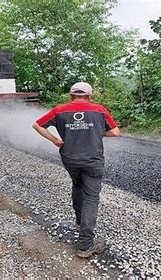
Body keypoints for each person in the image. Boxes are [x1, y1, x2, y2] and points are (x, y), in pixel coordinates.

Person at [32, 82, 120, 258]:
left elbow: (37, 125)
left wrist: (55, 140)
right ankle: (86, 245)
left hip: (70, 159)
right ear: (89, 96)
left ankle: (80, 221)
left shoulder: (59, 110)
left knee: (77, 185)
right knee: (91, 197)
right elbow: (116, 132)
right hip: (92, 160)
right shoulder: (99, 110)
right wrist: (97, 132)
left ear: (71, 96)